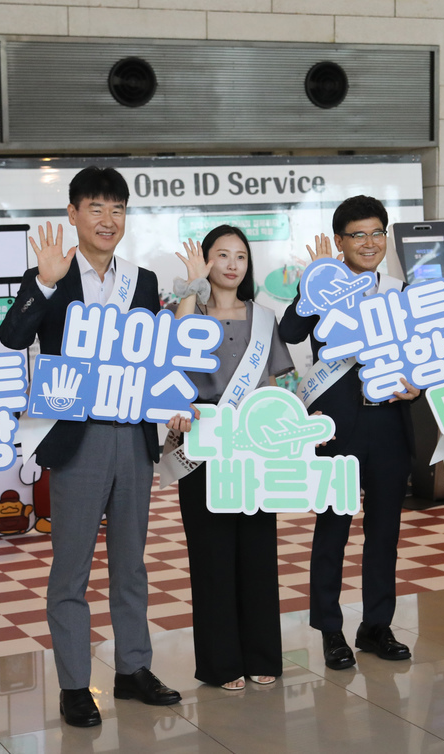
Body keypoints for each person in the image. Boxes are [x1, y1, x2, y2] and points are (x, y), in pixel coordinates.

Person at [0, 167, 180, 729]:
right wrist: (45, 286)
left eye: (117, 209)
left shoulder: (142, 281)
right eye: (95, 208)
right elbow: (11, 337)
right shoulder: (49, 272)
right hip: (75, 438)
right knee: (70, 570)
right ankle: (76, 684)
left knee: (131, 565)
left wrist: (171, 397)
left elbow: (153, 358)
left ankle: (133, 670)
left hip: (132, 436)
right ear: (73, 215)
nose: (108, 219)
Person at [279, 195, 418, 670]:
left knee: (385, 532)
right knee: (332, 529)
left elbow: (422, 355)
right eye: (358, 234)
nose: (370, 242)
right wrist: (310, 286)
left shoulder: (401, 290)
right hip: (337, 426)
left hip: (389, 425)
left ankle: (376, 625)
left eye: (378, 233)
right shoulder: (323, 288)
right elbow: (290, 332)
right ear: (340, 242)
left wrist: (416, 387)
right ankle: (330, 630)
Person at [166, 225, 295, 690]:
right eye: (222, 255)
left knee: (258, 553)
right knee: (211, 556)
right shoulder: (188, 312)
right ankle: (221, 664)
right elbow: (174, 356)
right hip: (202, 448)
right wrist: (190, 287)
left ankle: (262, 654)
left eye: (240, 255)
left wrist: (297, 419)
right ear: (207, 262)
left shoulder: (263, 318)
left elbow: (282, 380)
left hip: (255, 449)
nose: (233, 263)